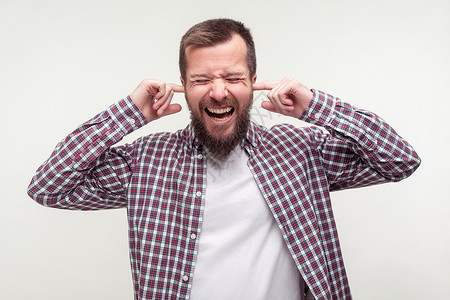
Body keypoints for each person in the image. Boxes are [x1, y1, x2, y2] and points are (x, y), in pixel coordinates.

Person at [27, 18, 420, 300]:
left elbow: (399, 160)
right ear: (182, 86)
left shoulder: (301, 152)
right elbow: (48, 188)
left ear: (252, 82)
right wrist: (130, 112)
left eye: (233, 78)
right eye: (202, 80)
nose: (218, 93)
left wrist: (316, 106)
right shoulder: (145, 162)